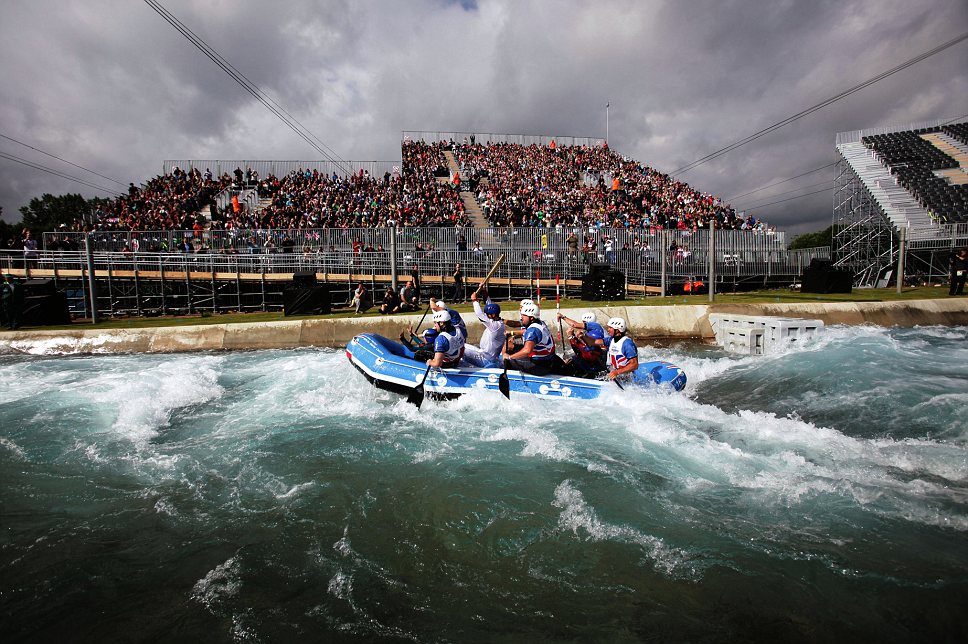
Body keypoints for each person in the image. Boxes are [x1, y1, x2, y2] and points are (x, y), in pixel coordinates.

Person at [502, 302, 566, 376]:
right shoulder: (540, 323)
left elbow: (527, 350)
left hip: (539, 366)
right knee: (512, 348)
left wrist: (509, 357)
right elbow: (526, 332)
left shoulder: (533, 330)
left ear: (531, 318)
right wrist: (512, 333)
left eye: (523, 316)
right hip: (548, 360)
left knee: (507, 360)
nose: (521, 317)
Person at [463, 289, 505, 368]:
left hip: (485, 359)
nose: (486, 315)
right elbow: (489, 307)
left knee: (460, 347)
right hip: (486, 355)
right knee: (462, 344)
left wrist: (474, 300)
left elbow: (479, 314)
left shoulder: (494, 326)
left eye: (488, 314)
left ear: (492, 315)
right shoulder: (497, 322)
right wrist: (486, 296)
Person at [597, 317, 639, 382]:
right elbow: (593, 342)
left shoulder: (627, 344)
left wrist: (616, 372)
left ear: (618, 330)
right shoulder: (611, 340)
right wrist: (583, 337)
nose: (608, 330)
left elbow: (634, 365)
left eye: (610, 328)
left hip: (625, 379)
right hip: (614, 374)